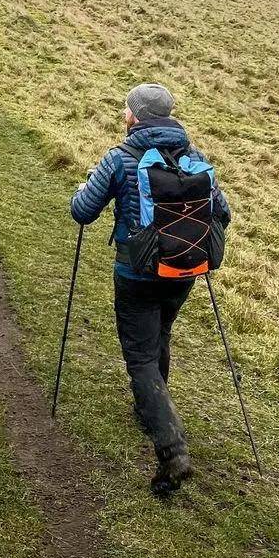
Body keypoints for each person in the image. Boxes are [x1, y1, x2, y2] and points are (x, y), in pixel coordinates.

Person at [70, 82, 230, 496]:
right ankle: (149, 410)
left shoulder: (119, 158)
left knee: (139, 357)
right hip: (184, 270)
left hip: (137, 272)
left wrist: (90, 181)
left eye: (126, 110)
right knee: (160, 333)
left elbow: (82, 211)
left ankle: (172, 450)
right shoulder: (195, 158)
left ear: (134, 116)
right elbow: (223, 213)